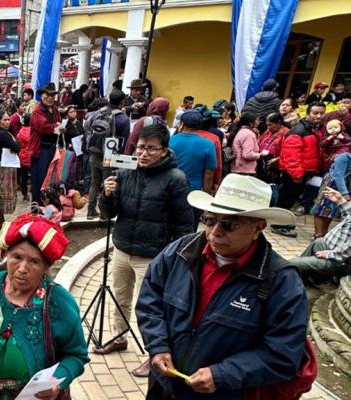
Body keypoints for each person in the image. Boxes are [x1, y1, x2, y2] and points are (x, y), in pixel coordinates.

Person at [136, 173, 307, 399]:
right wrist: (157, 346)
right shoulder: (180, 251)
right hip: (164, 387)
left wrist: (222, 374)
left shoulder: (281, 281)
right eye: (209, 220)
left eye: (229, 224)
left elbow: (284, 355)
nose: (215, 232)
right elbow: (150, 300)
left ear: (258, 227)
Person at [0, 213, 89, 399]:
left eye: (34, 261)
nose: (23, 268)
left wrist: (58, 379)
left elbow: (77, 356)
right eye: (16, 257)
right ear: (6, 255)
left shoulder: (58, 302)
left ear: (45, 267)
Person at [95, 124, 193, 378]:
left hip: (153, 256)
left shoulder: (176, 179)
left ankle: (154, 356)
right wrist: (106, 195)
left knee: (151, 308)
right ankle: (119, 337)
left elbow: (185, 225)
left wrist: (175, 260)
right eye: (140, 147)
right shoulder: (125, 171)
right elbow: (108, 213)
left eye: (151, 148)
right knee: (120, 297)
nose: (144, 154)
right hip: (122, 247)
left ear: (164, 151)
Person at [273, 102, 325, 237]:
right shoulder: (298, 131)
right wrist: (297, 174)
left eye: (321, 113)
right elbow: (291, 155)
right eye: (315, 113)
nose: (318, 116)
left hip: (304, 171)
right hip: (294, 173)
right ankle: (278, 224)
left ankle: (284, 222)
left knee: (291, 199)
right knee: (286, 199)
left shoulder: (314, 130)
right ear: (308, 113)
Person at [84, 90, 131, 219]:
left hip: (94, 153)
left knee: (94, 182)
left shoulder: (97, 113)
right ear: (122, 102)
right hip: (110, 156)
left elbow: (87, 128)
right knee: (108, 183)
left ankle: (90, 210)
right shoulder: (123, 118)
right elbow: (125, 140)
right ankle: (104, 213)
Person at [292, 185, 351, 285]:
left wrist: (330, 254)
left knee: (292, 264)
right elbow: (348, 216)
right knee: (318, 242)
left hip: (341, 261)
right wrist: (340, 200)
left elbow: (345, 252)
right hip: (333, 249)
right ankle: (302, 279)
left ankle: (300, 275)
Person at [169, 110, 217, 228]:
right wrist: (205, 195)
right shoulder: (208, 144)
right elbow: (209, 174)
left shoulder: (170, 140)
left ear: (181, 124)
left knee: (169, 221)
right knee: (190, 224)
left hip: (170, 188)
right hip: (194, 192)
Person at [30, 84, 65, 204]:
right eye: (47, 95)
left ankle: (48, 205)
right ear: (42, 95)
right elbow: (43, 127)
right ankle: (36, 206)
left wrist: (59, 126)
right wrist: (57, 126)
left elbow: (58, 121)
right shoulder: (37, 111)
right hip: (40, 148)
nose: (50, 98)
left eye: (52, 95)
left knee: (50, 178)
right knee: (39, 179)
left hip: (51, 147)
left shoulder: (54, 109)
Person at [0, 110, 21, 229]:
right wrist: (15, 143)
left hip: (2, 164)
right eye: (4, 120)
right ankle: (0, 220)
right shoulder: (1, 134)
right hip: (2, 166)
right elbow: (17, 146)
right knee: (1, 193)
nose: (8, 122)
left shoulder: (2, 132)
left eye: (8, 119)